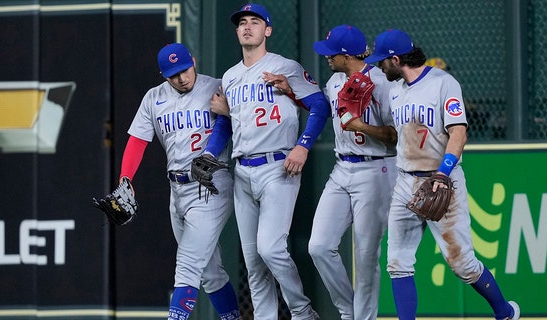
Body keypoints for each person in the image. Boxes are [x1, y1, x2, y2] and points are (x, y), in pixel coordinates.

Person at [364, 29, 520, 320]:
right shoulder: (395, 90)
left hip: (442, 180)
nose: (379, 67)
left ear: (396, 59)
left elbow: (458, 132)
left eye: (382, 62)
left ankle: (504, 312)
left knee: (462, 264)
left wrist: (443, 172)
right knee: (397, 263)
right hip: (405, 181)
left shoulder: (443, 83)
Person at [203, 4, 329, 320]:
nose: (247, 27)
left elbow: (319, 106)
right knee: (253, 259)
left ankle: (302, 311)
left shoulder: (285, 67)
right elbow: (224, 126)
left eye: (255, 22)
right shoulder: (230, 76)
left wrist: (303, 147)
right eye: (242, 22)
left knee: (270, 249)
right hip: (242, 170)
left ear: (267, 30)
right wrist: (208, 153)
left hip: (279, 166)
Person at [119, 42, 241, 320]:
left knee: (186, 265)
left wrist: (227, 113)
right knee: (209, 272)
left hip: (212, 185)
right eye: (173, 74)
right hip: (177, 189)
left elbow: (236, 124)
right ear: (163, 75)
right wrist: (125, 178)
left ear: (194, 61)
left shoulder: (217, 87)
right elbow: (137, 141)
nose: (181, 78)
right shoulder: (153, 98)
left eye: (185, 70)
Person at [306, 25, 397, 320]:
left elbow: (397, 136)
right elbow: (321, 108)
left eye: (332, 53)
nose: (327, 57)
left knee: (367, 255)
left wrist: (362, 127)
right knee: (319, 246)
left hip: (377, 169)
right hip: (341, 167)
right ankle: (349, 311)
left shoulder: (382, 82)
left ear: (346, 55)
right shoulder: (334, 82)